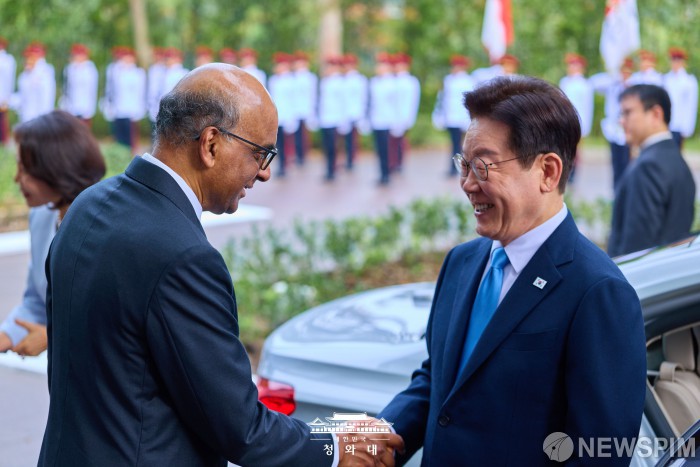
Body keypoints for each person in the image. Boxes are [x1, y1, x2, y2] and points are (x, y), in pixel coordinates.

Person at [38, 63, 403, 467]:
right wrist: (337, 447)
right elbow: (240, 427)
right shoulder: (183, 256)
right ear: (211, 144)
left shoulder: (88, 205)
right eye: (259, 153)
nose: (264, 173)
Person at [378, 76, 646, 465]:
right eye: (464, 164)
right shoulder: (461, 263)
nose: (467, 184)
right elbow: (440, 380)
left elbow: (600, 452)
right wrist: (380, 437)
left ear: (548, 172)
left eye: (482, 166)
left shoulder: (597, 291)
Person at [0, 110, 105, 356]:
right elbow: (37, 301)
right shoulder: (41, 216)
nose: (16, 179)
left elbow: (115, 320)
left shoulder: (108, 229)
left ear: (56, 166)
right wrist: (7, 335)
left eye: (25, 170)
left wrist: (51, 336)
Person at [608, 84, 696, 257]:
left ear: (656, 114)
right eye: (621, 114)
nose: (621, 121)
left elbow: (636, 248)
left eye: (628, 112)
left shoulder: (648, 167)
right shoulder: (675, 158)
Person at [590, 57, 635, 189]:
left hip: (627, 128)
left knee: (626, 161)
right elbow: (594, 82)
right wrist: (612, 75)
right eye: (623, 72)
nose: (624, 75)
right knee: (616, 161)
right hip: (614, 128)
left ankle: (626, 188)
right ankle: (617, 190)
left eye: (627, 72)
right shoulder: (613, 84)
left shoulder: (633, 88)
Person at [432, 55, 475, 176]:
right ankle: (455, 167)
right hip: (451, 117)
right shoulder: (448, 80)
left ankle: (459, 167)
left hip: (462, 118)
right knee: (455, 143)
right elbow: (442, 99)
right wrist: (439, 115)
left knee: (462, 144)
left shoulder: (468, 81)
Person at [369, 52, 396, 185]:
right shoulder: (374, 82)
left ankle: (387, 173)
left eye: (382, 65)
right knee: (379, 149)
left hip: (388, 120)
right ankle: (382, 173)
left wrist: (398, 121)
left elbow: (397, 104)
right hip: (376, 120)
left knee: (388, 149)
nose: (379, 68)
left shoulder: (393, 83)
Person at [663, 47, 698, 149]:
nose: (675, 64)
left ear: (683, 62)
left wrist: (687, 128)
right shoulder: (665, 79)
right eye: (673, 61)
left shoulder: (689, 81)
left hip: (679, 124)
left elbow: (691, 105)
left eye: (678, 61)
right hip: (666, 124)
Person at [317, 55, 345, 181]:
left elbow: (344, 102)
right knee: (327, 146)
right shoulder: (325, 81)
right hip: (325, 118)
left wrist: (343, 120)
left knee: (334, 147)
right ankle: (328, 169)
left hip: (335, 119)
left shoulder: (340, 82)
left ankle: (333, 169)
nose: (328, 69)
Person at [338, 53, 368, 170]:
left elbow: (363, 98)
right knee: (343, 140)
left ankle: (352, 160)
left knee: (352, 140)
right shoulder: (342, 80)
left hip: (354, 113)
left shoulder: (360, 80)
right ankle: (345, 159)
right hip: (343, 114)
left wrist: (362, 115)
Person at [60, 44, 99, 125]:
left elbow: (92, 89)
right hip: (71, 105)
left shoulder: (90, 69)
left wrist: (91, 108)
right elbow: (66, 87)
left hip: (85, 104)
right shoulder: (69, 68)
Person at [291, 50, 318, 166]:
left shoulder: (310, 78)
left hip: (306, 109)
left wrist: (312, 111)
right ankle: (297, 155)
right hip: (294, 110)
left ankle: (303, 156)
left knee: (304, 135)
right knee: (295, 135)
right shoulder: (292, 77)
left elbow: (313, 95)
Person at [0, 37, 16, 144]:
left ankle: (4, 140)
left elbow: (9, 80)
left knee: (2, 119)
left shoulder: (7, 60)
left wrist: (7, 96)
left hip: (2, 94)